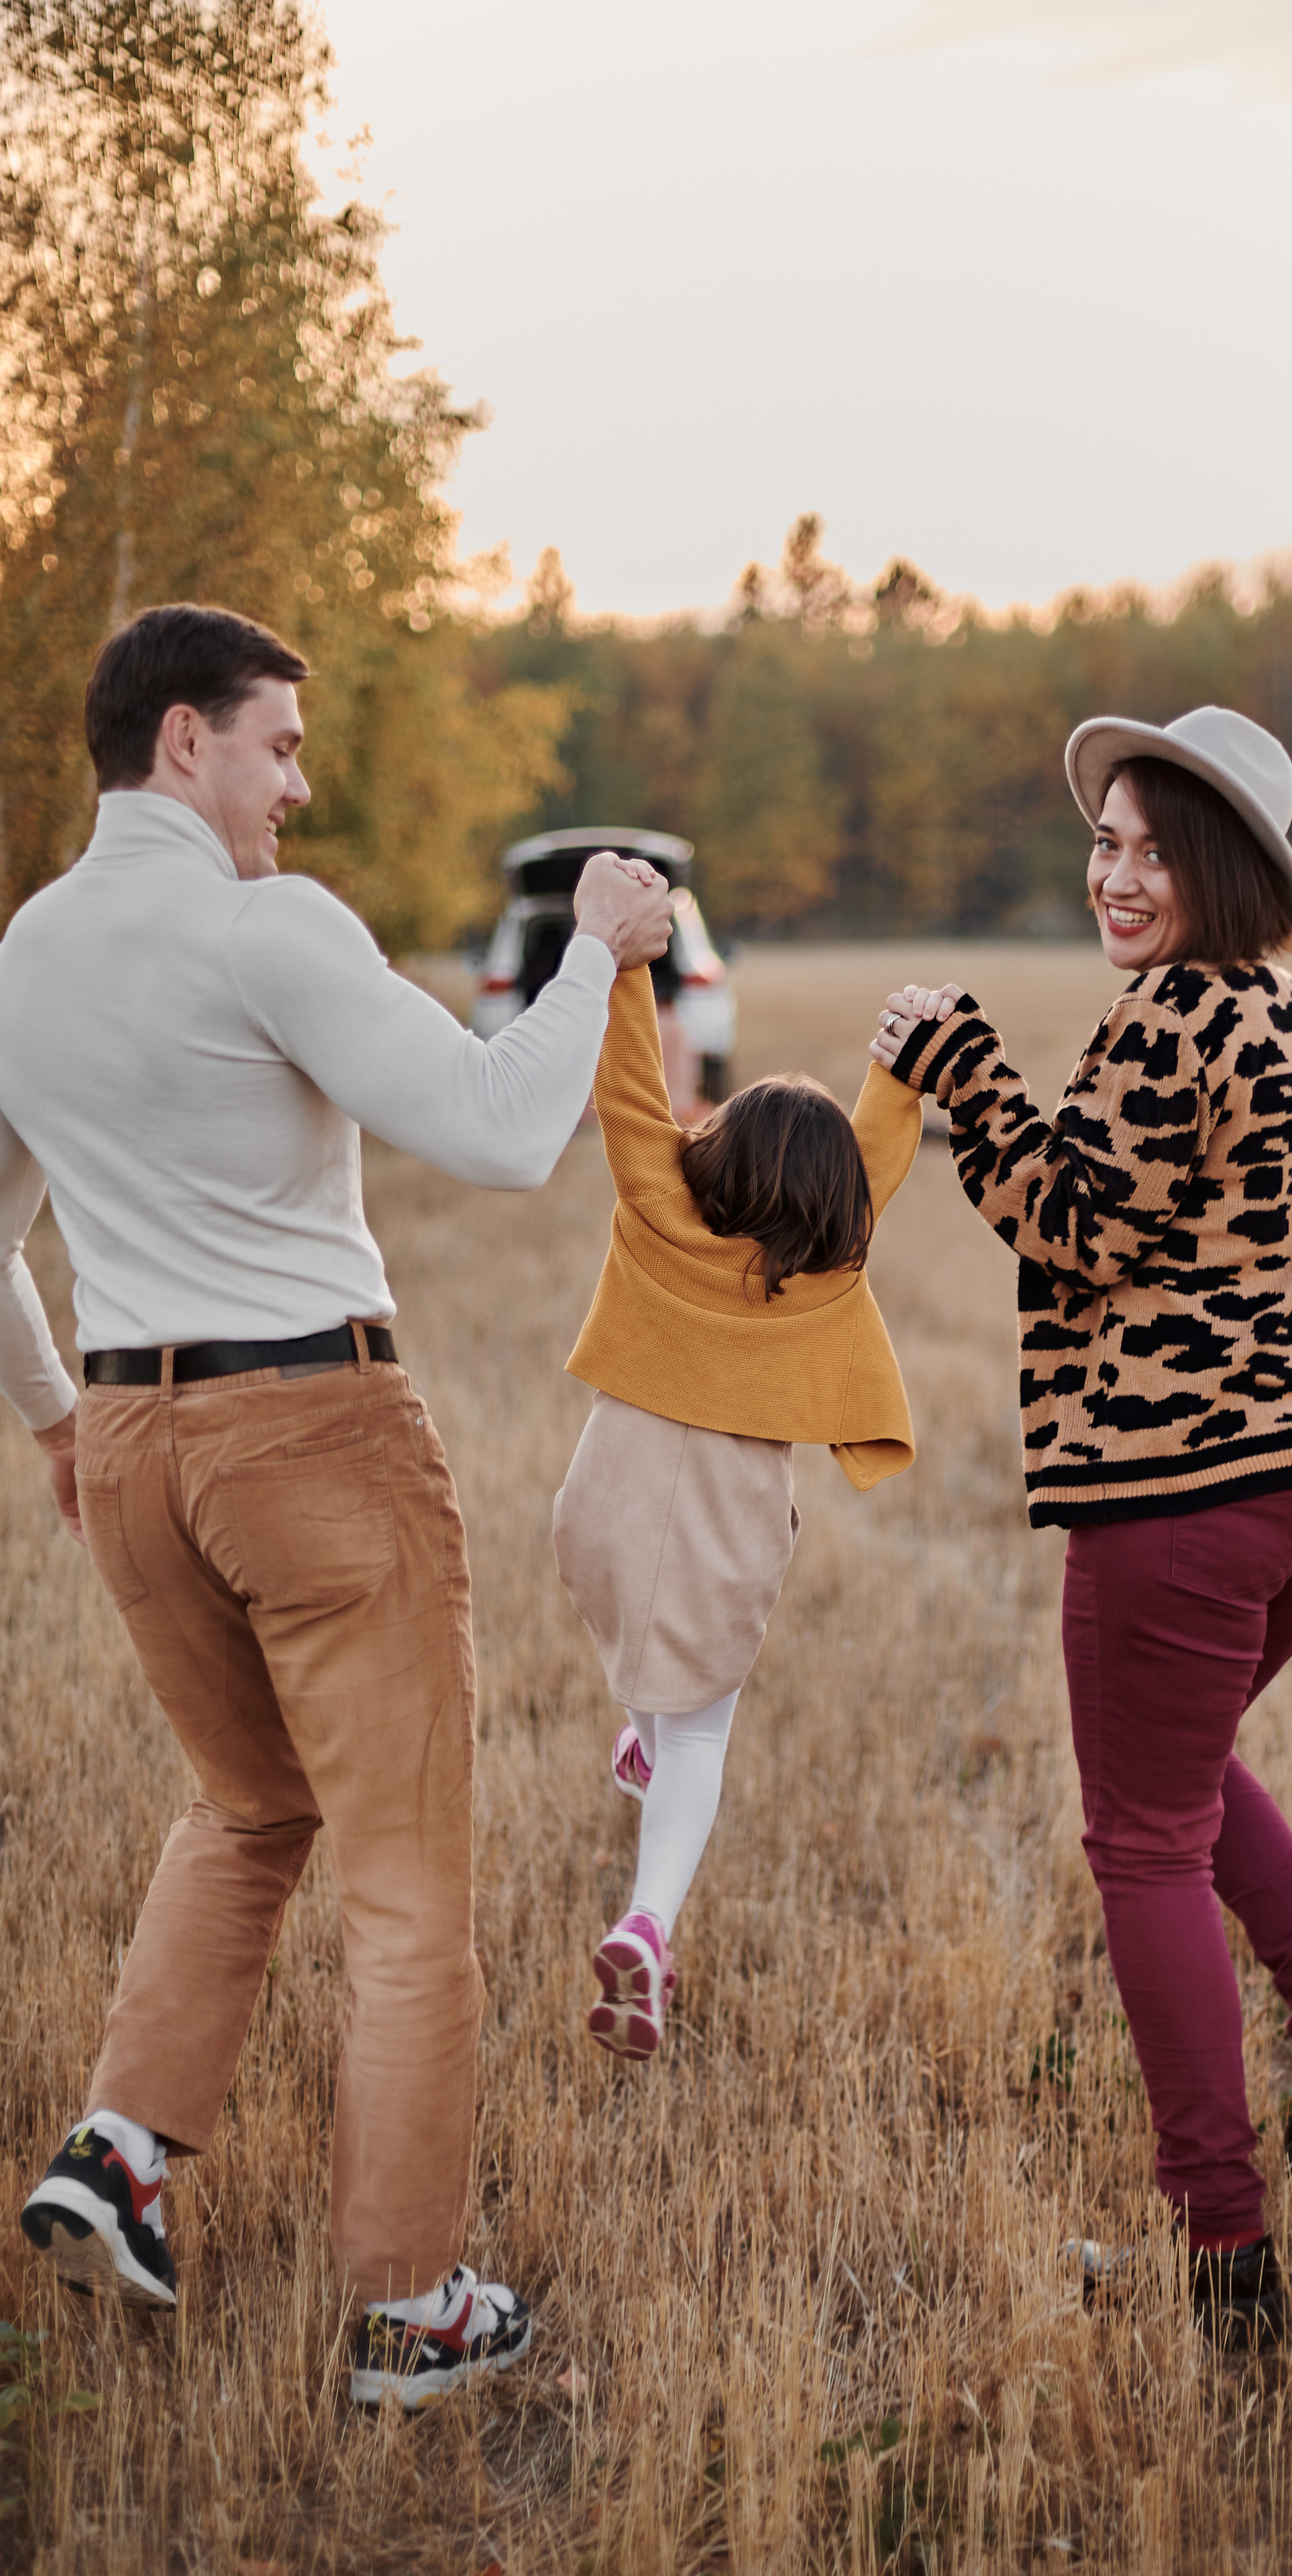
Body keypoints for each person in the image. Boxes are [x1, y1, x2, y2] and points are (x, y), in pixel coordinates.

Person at [1, 603, 672, 2409]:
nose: (298, 786)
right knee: (404, 1889)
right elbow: (501, 1131)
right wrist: (597, 951)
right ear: (181, 744)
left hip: (136, 1451)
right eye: (278, 745)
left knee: (248, 1804)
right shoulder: (262, 924)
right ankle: (410, 2308)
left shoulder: (25, 957)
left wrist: (64, 1423)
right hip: (314, 1432)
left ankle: (121, 2155)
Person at [870, 706, 1292, 2351]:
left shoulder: (1166, 1023)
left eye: (1147, 847)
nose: (1113, 874)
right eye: (1103, 842)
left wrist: (957, 1062)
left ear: (1220, 869)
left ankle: (1224, 2249)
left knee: (1140, 1842)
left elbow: (1065, 1224)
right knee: (1172, 1785)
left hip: (1190, 1493)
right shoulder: (1279, 1015)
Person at [551, 961, 920, 2056]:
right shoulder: (825, 1268)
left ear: (712, 1152)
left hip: (603, 1502)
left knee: (648, 1656)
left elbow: (627, 1096)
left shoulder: (661, 1215)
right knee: (703, 1722)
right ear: (833, 1204)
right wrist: (897, 1065)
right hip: (723, 1522)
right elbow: (878, 1157)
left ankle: (640, 1746)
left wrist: (628, 968)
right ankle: (649, 1923)